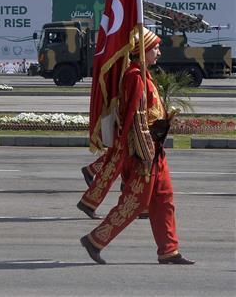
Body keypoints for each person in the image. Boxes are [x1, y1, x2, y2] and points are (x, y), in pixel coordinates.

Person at [80, 28, 194, 265]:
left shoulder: (144, 75)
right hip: (144, 153)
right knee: (135, 203)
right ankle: (95, 240)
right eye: (155, 48)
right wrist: (146, 154)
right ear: (143, 51)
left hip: (155, 150)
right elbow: (136, 119)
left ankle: (169, 250)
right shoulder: (135, 77)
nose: (159, 52)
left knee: (164, 199)